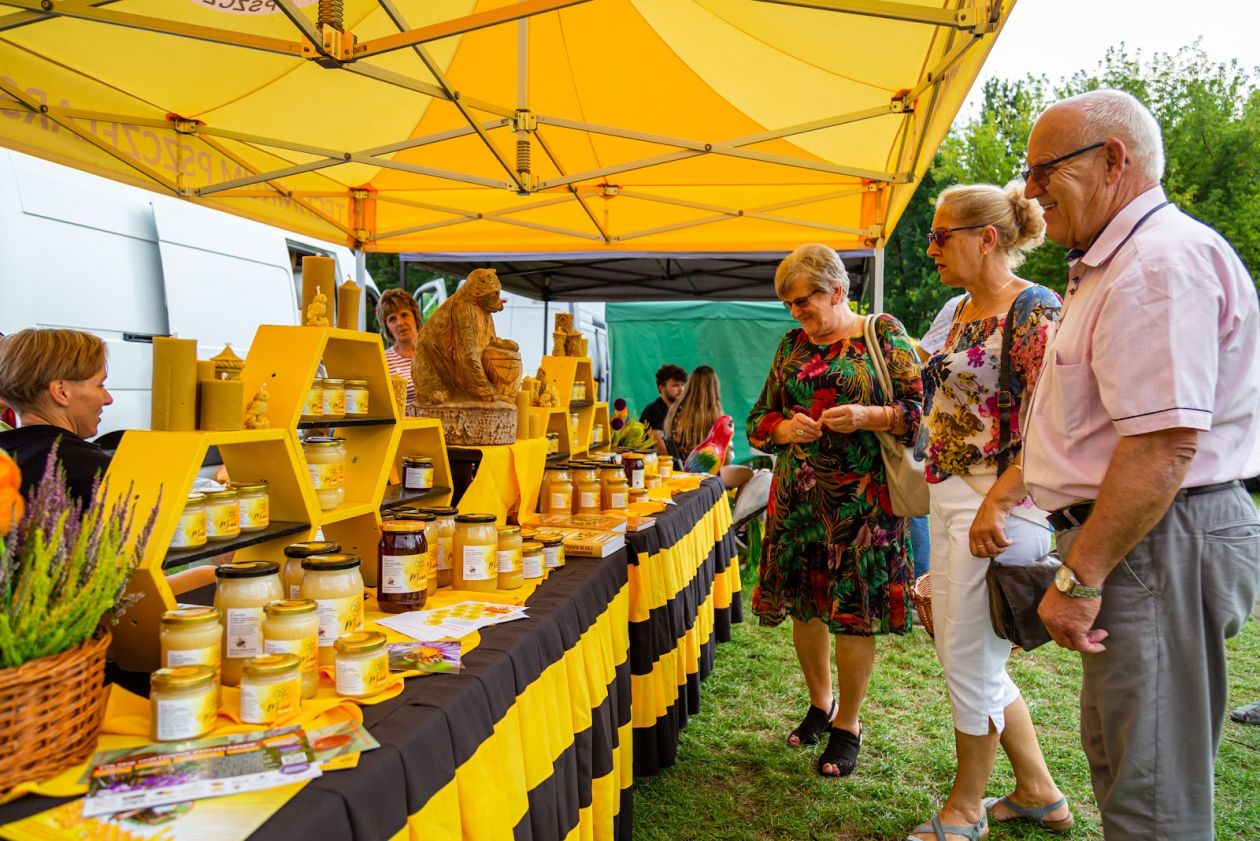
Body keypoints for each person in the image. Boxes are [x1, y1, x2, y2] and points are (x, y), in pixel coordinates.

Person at [1022, 89, 1260, 840]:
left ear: (1112, 160)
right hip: (1150, 538)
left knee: (1151, 794)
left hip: (1156, 538)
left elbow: (1162, 446)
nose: (1028, 191)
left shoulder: (1157, 263)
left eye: (1043, 170)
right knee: (1129, 765)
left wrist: (1079, 576)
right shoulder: (1126, 260)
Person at [911, 183, 1068, 841]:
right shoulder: (956, 309)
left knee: (970, 658)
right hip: (950, 496)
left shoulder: (1035, 309)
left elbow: (1052, 421)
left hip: (1002, 505)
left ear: (987, 238)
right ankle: (1038, 792)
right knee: (963, 652)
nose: (931, 248)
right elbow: (924, 382)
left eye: (940, 235)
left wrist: (998, 502)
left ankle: (965, 808)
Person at [748, 243, 922, 778]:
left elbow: (919, 413)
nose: (796, 312)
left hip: (863, 505)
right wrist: (783, 428)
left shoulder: (883, 333)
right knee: (805, 607)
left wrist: (868, 416)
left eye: (804, 301)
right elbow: (759, 419)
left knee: (853, 614)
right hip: (799, 502)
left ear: (838, 290)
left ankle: (848, 723)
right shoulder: (792, 345)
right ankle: (820, 703)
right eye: (789, 304)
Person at [0, 328, 114, 504]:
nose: (108, 399)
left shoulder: (6, 458)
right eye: (100, 385)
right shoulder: (93, 471)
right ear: (61, 392)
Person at [664, 365, 751, 490]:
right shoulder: (715, 415)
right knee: (748, 473)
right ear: (714, 388)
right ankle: (728, 503)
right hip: (705, 475)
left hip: (679, 473)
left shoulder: (674, 410)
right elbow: (725, 460)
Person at [376, 288, 422, 410]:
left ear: (415, 316)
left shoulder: (434, 353)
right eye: (392, 319)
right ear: (386, 327)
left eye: (404, 315)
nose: (400, 323)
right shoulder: (383, 361)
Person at [640, 363, 686, 457]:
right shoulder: (653, 411)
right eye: (675, 385)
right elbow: (661, 449)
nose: (681, 389)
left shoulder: (679, 411)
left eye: (682, 385)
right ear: (661, 388)